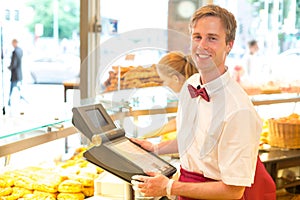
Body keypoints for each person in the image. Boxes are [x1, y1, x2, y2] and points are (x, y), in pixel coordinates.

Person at [130, 4, 276, 200]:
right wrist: (155, 148)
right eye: (197, 37)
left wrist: (170, 187)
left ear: (229, 45)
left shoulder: (239, 110)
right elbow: (193, 143)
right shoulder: (190, 85)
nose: (202, 45)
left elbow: (233, 191)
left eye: (212, 38)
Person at [142, 51, 198, 139]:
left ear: (175, 78)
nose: (165, 85)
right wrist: (147, 134)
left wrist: (148, 138)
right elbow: (178, 122)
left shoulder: (194, 98)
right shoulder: (190, 93)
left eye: (164, 81)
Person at [7, 39, 25, 106]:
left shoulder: (15, 52)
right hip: (19, 73)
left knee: (12, 87)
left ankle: (9, 100)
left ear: (15, 43)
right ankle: (20, 97)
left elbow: (14, 63)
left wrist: (9, 67)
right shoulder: (20, 50)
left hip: (15, 74)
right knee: (18, 86)